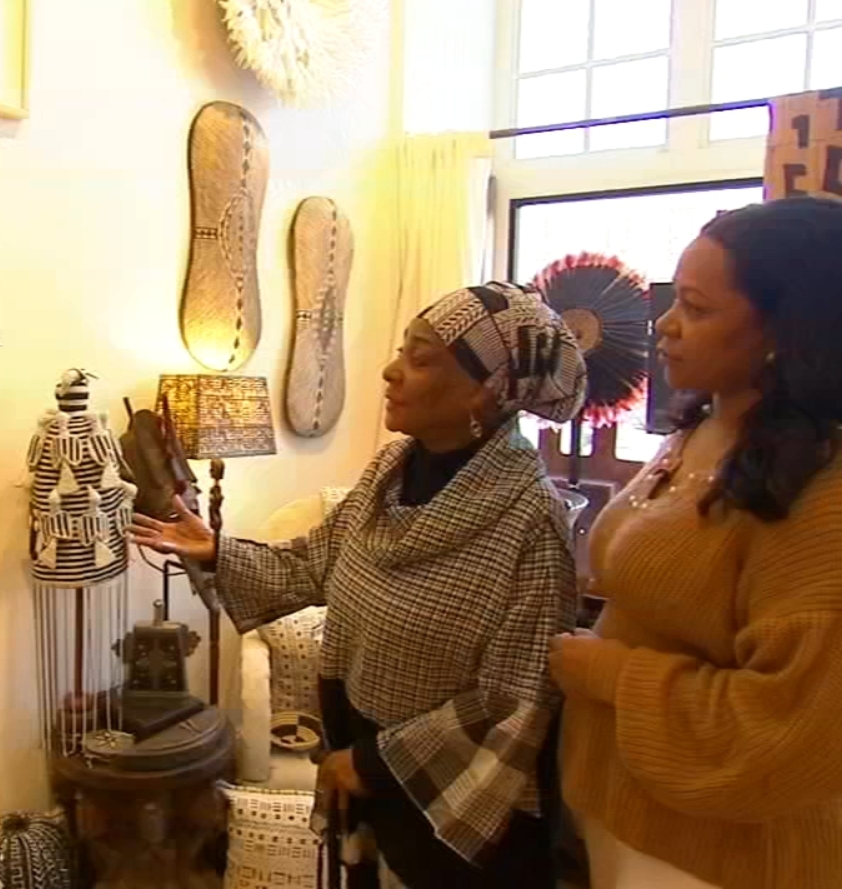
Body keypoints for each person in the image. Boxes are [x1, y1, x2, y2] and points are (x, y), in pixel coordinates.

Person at [132, 281, 588, 889]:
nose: (389, 371)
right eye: (402, 350)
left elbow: (516, 696)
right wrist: (219, 549)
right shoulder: (387, 476)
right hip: (363, 767)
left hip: (452, 798)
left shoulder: (532, 520)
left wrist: (373, 765)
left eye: (420, 359)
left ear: (487, 389)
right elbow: (315, 565)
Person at [549, 196, 842, 889]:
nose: (666, 327)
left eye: (698, 310)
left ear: (787, 332)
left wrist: (607, 674)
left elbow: (796, 729)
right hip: (630, 816)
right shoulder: (702, 430)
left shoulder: (838, 494)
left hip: (730, 858)